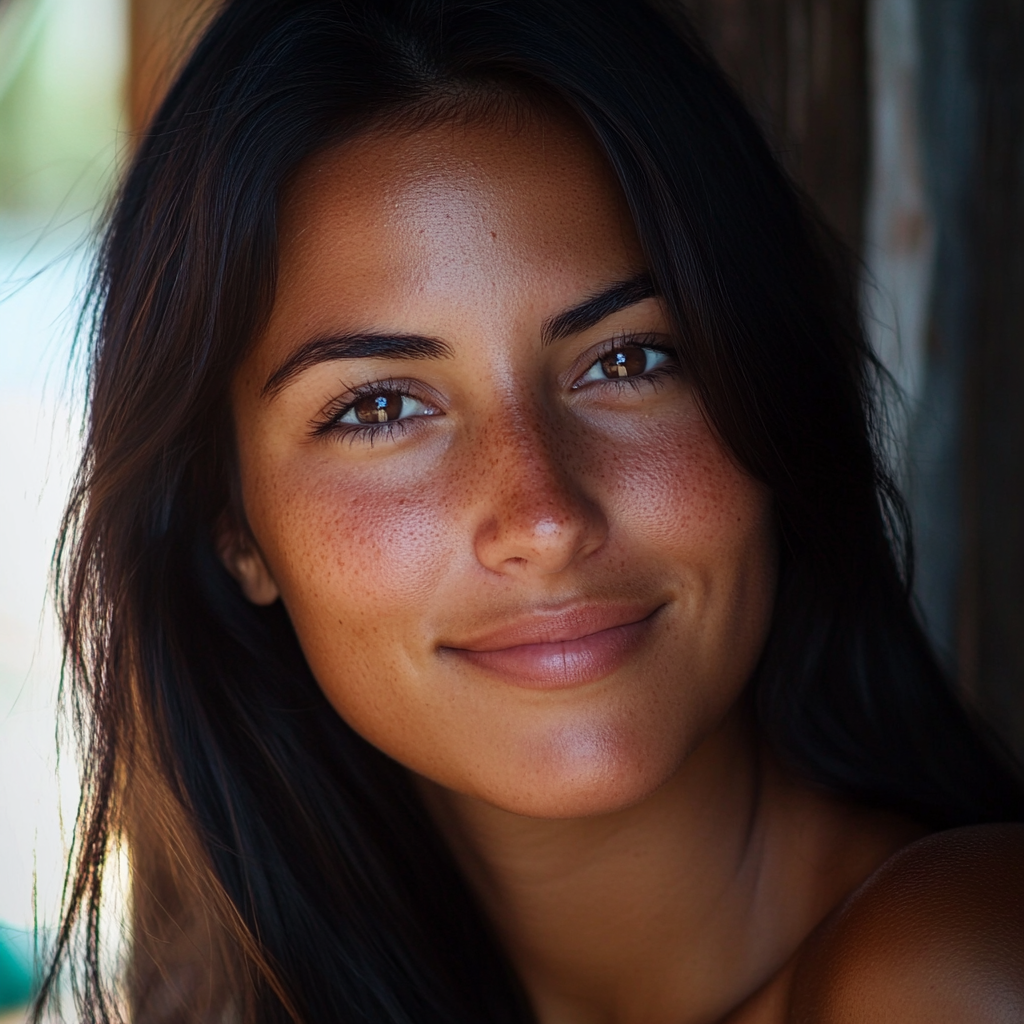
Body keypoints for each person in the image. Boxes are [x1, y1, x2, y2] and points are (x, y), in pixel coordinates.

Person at [41, 1, 1024, 1022]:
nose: (544, 516)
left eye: (628, 360)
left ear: (765, 387)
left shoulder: (959, 975)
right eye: (379, 408)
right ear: (233, 525)